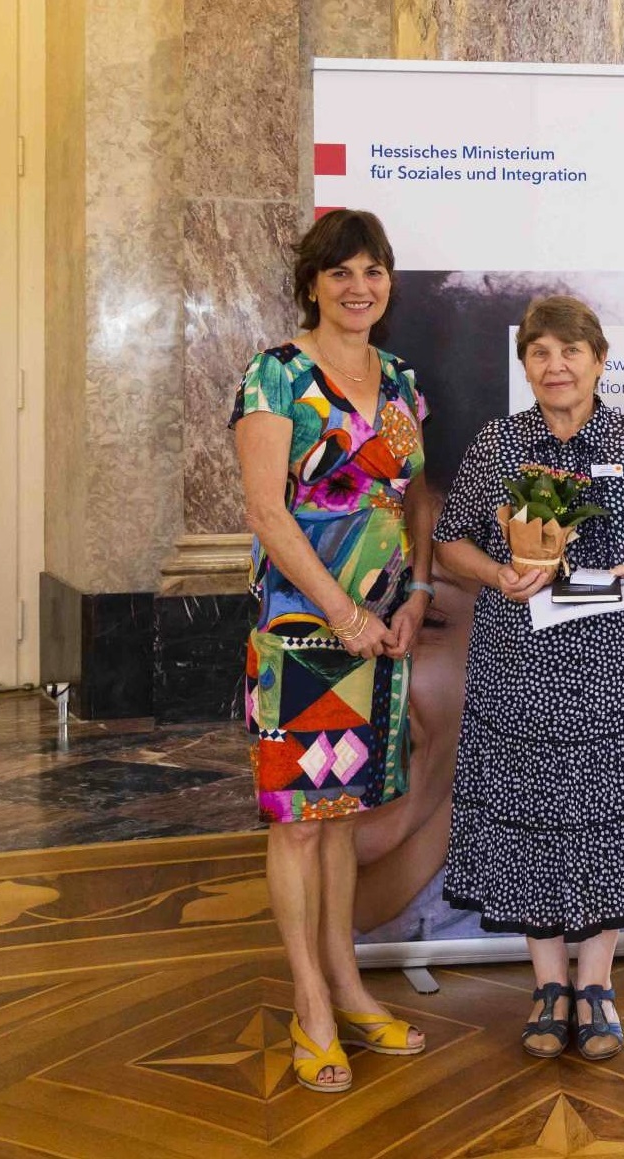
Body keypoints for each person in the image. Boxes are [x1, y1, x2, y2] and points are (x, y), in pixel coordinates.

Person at [433, 295, 624, 1061]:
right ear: (525, 366)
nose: (556, 365)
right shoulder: (497, 445)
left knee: (609, 816)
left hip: (615, 666)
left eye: (570, 351)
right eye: (540, 352)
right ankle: (547, 983)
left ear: (599, 359)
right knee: (533, 814)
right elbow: (451, 542)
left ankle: (597, 982)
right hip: (519, 664)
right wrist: (495, 571)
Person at [232, 208, 431, 1094]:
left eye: (374, 270)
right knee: (298, 823)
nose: (359, 286)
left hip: (382, 633)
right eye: (341, 271)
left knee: (343, 815)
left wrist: (415, 593)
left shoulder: (398, 378)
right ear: (312, 281)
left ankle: (349, 983)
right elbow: (269, 512)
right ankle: (310, 1001)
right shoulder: (276, 376)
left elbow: (413, 496)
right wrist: (343, 612)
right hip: (304, 634)